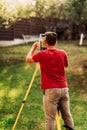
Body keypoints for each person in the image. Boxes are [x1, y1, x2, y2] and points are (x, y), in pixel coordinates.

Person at [26, 32, 74, 130]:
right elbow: (65, 65)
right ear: (56, 42)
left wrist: (34, 47)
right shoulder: (63, 53)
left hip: (51, 90)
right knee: (67, 116)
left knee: (50, 119)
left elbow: (28, 59)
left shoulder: (42, 54)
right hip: (64, 89)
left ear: (45, 42)